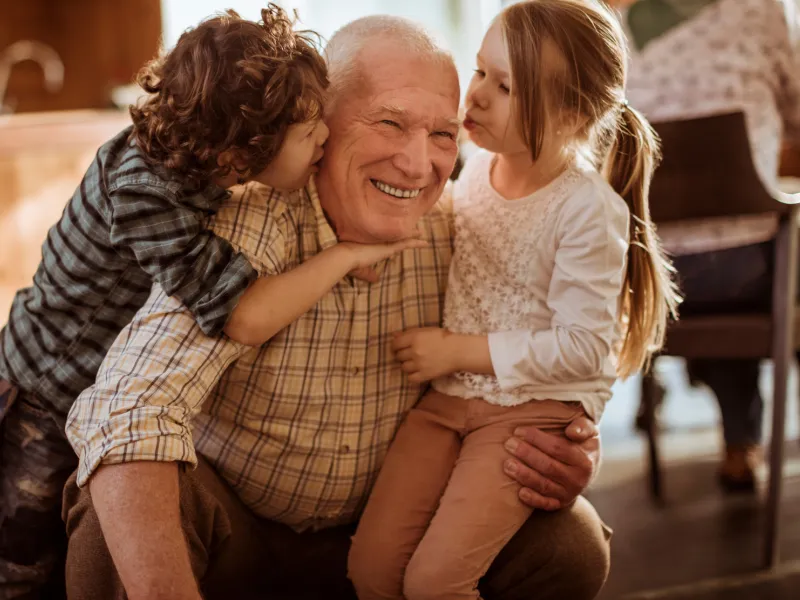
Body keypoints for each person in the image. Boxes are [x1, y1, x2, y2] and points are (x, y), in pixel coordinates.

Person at [62, 15, 611, 600]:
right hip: (239, 536)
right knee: (114, 505)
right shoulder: (245, 224)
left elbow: (567, 344)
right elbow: (128, 409)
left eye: (444, 135)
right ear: (319, 126)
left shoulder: (466, 227)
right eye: (390, 123)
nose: (417, 164)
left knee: (569, 542)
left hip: (390, 530)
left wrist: (571, 442)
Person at [346, 1, 679, 598]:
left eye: (504, 87)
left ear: (571, 114)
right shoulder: (474, 168)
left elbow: (582, 350)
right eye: (479, 72)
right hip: (446, 404)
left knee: (435, 583)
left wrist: (454, 351)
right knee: (370, 572)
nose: (473, 97)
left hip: (527, 417)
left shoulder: (587, 210)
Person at [0, 6, 330, 595]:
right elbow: (236, 305)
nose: (326, 139)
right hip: (44, 390)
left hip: (77, 379)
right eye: (309, 134)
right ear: (240, 151)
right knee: (24, 553)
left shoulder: (195, 165)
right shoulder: (145, 192)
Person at [614, 0, 800, 491]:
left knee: (712, 254)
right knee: (765, 249)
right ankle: (742, 442)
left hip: (652, 278)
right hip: (752, 271)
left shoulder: (608, 30)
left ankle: (739, 443)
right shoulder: (757, 10)